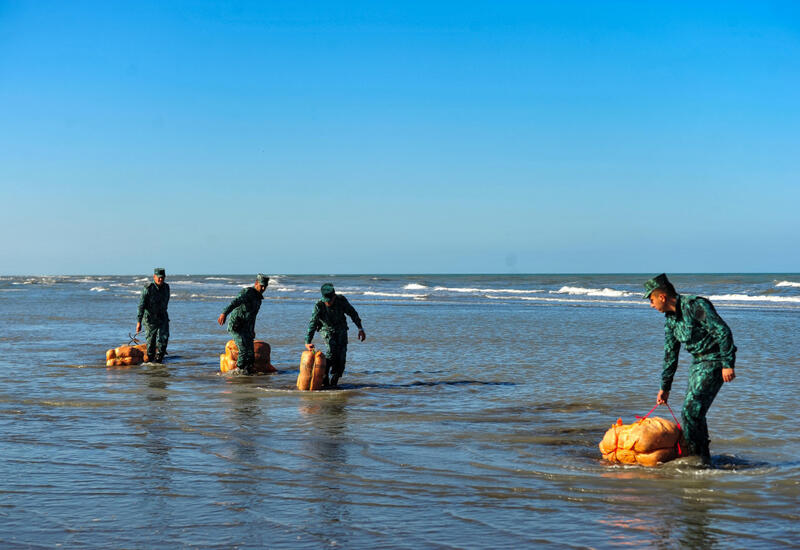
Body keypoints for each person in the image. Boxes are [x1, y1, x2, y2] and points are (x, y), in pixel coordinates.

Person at [644, 273, 737, 464]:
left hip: (715, 360)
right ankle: (702, 457)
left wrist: (728, 364)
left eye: (651, 300)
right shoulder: (670, 320)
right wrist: (665, 387)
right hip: (698, 363)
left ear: (662, 297)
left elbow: (723, 331)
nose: (651, 305)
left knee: (690, 410)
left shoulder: (696, 305)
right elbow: (670, 355)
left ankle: (698, 459)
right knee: (694, 412)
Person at [305, 283, 366, 388]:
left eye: (330, 299)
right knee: (331, 352)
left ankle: (335, 379)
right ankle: (324, 377)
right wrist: (308, 341)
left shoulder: (341, 300)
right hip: (326, 330)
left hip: (341, 330)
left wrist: (360, 328)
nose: (328, 302)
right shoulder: (319, 305)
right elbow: (313, 323)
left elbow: (353, 313)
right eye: (326, 300)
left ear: (334, 296)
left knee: (341, 356)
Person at [218, 274, 269, 375]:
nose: (263, 288)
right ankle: (237, 373)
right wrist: (224, 313)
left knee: (250, 354)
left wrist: (252, 329)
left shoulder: (259, 299)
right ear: (256, 283)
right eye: (261, 286)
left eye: (265, 287)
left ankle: (247, 374)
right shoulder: (248, 292)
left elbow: (253, 316)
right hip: (236, 326)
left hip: (247, 328)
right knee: (243, 350)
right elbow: (235, 302)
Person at [136, 267, 170, 363]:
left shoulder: (166, 288)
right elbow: (141, 306)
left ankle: (159, 361)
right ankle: (151, 363)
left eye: (162, 277)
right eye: (158, 277)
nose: (160, 279)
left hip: (163, 317)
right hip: (150, 319)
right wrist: (139, 322)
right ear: (154, 277)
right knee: (151, 343)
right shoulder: (148, 289)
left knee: (164, 339)